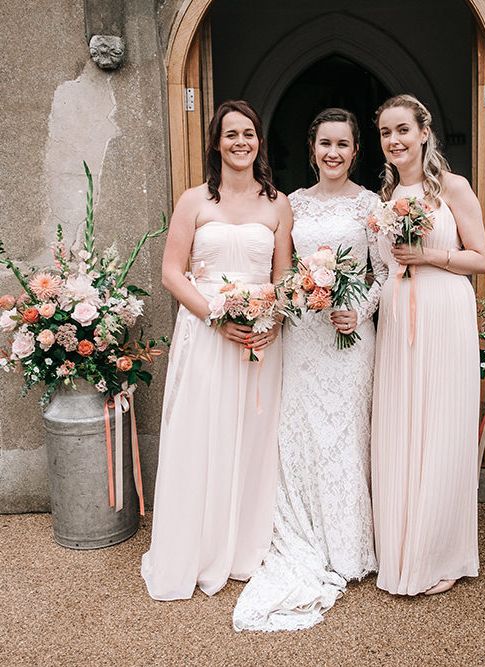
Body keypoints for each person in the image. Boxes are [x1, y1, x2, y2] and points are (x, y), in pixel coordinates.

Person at [233, 108, 385, 631]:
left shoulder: (371, 204)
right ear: (312, 146)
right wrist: (284, 304)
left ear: (356, 150)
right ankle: (305, 536)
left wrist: (360, 309)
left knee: (344, 437)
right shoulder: (292, 204)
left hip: (349, 337)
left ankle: (347, 546)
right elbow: (284, 272)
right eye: (325, 143)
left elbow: (385, 271)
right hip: (302, 340)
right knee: (301, 434)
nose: (333, 153)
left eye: (343, 144)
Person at [141, 100, 293, 600]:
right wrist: (216, 315)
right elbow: (170, 272)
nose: (241, 142)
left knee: (252, 436)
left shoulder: (278, 204)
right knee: (201, 433)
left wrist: (269, 320)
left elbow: (283, 280)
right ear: (216, 143)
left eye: (249, 133)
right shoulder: (193, 201)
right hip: (206, 334)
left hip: (257, 342)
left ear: (259, 142)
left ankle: (244, 544)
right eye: (231, 135)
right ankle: (200, 545)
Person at [371, 94, 485, 596]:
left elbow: (481, 260)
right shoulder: (384, 200)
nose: (394, 141)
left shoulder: (454, 189)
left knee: (441, 422)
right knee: (400, 421)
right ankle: (400, 546)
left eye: (402, 130)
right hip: (398, 318)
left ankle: (438, 550)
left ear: (424, 132)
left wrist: (429, 255)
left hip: (444, 312)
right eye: (385, 133)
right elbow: (383, 267)